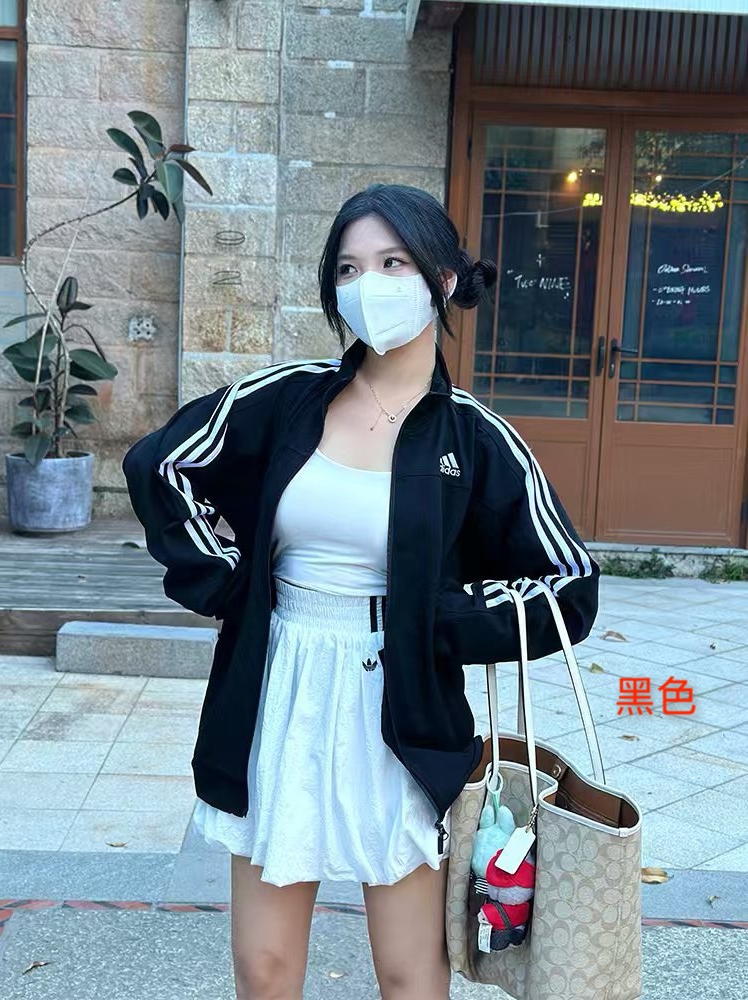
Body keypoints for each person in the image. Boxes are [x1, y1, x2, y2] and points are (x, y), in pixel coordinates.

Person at [122, 183, 599, 1000]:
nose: (367, 284)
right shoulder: (289, 398)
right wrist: (230, 581)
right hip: (278, 686)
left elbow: (571, 585)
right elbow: (160, 464)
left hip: (403, 708)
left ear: (442, 280)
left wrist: (441, 621)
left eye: (392, 263)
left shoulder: (476, 438)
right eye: (348, 268)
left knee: (409, 975)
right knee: (263, 967)